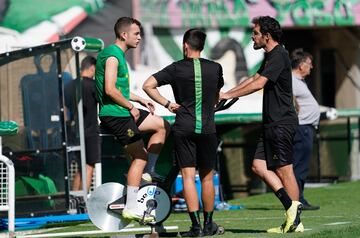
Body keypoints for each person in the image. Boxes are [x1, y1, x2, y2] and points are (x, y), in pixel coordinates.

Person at [219, 16, 304, 233]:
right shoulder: (270, 56)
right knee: (258, 166)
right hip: (271, 123)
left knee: (285, 170)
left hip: (281, 122)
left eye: (255, 33)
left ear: (266, 36)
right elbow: (253, 78)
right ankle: (292, 212)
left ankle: (295, 220)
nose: (252, 37)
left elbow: (259, 84)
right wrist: (229, 95)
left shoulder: (279, 55)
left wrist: (228, 93)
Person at [143, 28, 224, 237]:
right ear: (202, 46)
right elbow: (217, 96)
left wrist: (168, 104)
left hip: (184, 127)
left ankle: (195, 227)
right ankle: (208, 225)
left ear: (185, 46)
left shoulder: (177, 68)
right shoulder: (215, 68)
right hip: (207, 128)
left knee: (188, 176)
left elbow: (148, 85)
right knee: (207, 177)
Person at [95, 17, 170, 222]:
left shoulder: (119, 55)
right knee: (140, 156)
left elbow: (118, 89)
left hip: (123, 112)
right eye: (136, 33)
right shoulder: (112, 55)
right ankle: (130, 207)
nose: (139, 37)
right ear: (124, 34)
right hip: (116, 116)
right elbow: (109, 90)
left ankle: (149, 172)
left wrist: (140, 100)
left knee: (162, 125)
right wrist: (130, 107)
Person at [291, 48, 320, 210]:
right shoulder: (292, 81)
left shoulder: (299, 81)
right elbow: (290, 101)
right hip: (301, 129)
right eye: (309, 64)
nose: (311, 67)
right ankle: (297, 199)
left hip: (306, 128)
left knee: (302, 165)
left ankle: (298, 198)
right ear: (301, 65)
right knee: (299, 166)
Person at [69, 56, 101, 192]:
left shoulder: (70, 85)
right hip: (90, 132)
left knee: (81, 167)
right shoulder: (92, 86)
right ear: (92, 68)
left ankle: (74, 200)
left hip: (74, 132)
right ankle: (83, 203)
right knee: (88, 166)